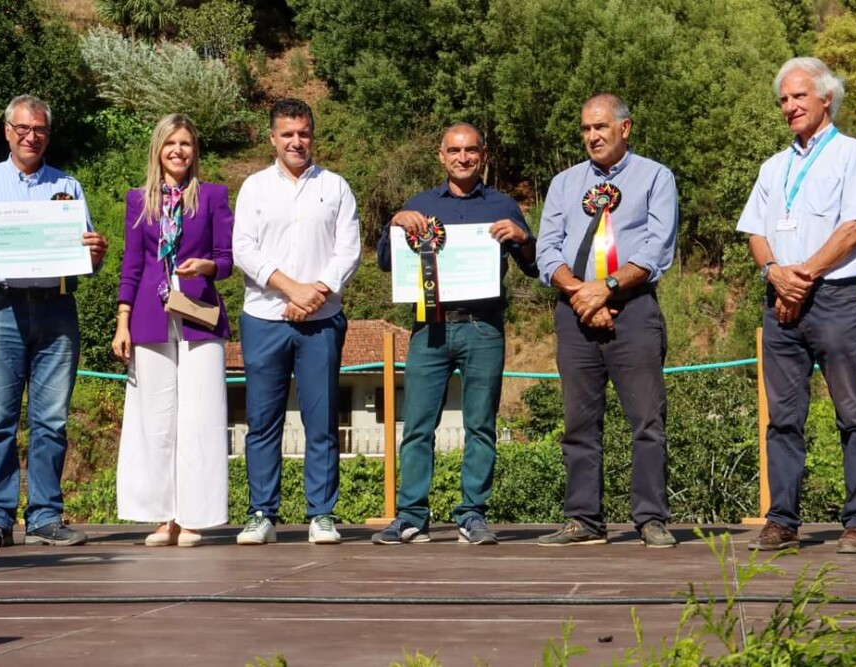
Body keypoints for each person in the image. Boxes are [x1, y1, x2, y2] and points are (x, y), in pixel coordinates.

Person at [0, 94, 108, 549]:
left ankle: (45, 517)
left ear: (47, 135)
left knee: (52, 421)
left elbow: (84, 261)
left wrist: (95, 255)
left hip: (57, 308)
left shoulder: (69, 186)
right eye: (23, 128)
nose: (31, 136)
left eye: (39, 129)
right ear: (7, 131)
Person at [737, 57, 856, 555]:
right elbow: (755, 230)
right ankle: (782, 520)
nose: (790, 106)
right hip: (780, 300)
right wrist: (775, 274)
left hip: (835, 300)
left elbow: (855, 227)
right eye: (783, 99)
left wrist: (803, 276)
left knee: (853, 414)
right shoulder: (773, 167)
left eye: (799, 96)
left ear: (826, 99)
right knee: (783, 417)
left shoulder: (853, 156)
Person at [371, 122, 538, 546]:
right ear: (441, 156)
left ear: (483, 155)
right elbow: (387, 263)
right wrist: (395, 223)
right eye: (454, 151)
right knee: (418, 425)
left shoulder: (503, 205)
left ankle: (472, 514)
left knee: (480, 425)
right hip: (430, 329)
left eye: (471, 151)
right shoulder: (419, 205)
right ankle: (410, 516)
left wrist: (522, 237)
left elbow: (534, 267)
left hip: (484, 329)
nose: (462, 158)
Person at [535, 93, 678, 549]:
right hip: (574, 309)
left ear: (625, 128)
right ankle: (583, 520)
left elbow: (658, 248)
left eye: (600, 127)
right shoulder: (563, 183)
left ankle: (650, 518)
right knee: (579, 422)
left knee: (646, 419)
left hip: (634, 308)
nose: (592, 136)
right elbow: (546, 249)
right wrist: (581, 292)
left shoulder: (656, 177)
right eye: (585, 129)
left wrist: (609, 287)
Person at [232, 99, 361, 545]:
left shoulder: (336, 186)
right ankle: (261, 513)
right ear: (272, 138)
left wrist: (315, 294)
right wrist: (292, 290)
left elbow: (349, 251)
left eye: (303, 133)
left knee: (321, 419)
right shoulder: (253, 188)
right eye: (287, 134)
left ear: (313, 135)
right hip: (264, 319)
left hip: (321, 320)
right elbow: (243, 251)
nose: (296, 141)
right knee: (263, 421)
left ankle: (321, 513)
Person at [111, 114, 234, 547]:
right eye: (170, 144)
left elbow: (227, 258)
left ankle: (195, 516)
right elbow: (132, 264)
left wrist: (208, 266)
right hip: (149, 313)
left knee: (201, 416)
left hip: (200, 311)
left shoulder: (214, 196)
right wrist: (123, 320)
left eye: (185, 143)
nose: (178, 151)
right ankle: (163, 517)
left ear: (194, 150)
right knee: (155, 419)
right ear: (158, 150)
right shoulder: (137, 200)